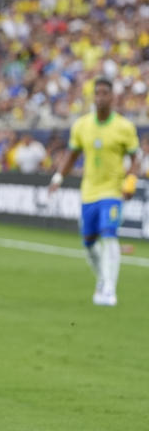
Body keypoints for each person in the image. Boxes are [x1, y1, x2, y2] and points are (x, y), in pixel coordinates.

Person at [49, 76, 140, 306]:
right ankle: (101, 279)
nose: (100, 98)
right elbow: (72, 154)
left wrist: (130, 180)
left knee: (109, 234)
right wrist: (58, 177)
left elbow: (135, 157)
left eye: (104, 93)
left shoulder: (124, 127)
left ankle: (109, 289)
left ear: (112, 97)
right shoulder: (82, 126)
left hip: (112, 191)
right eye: (97, 93)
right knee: (89, 242)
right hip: (89, 190)